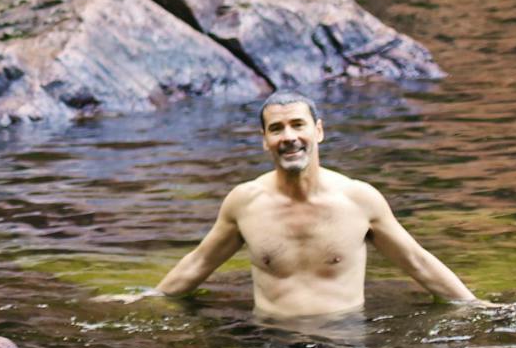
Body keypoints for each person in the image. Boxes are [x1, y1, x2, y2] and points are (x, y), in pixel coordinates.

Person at [112, 90, 476, 320]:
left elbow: (417, 262)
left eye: (297, 125)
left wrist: (476, 308)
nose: (289, 137)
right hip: (270, 338)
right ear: (265, 140)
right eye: (277, 128)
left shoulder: (358, 199)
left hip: (343, 337)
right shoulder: (245, 202)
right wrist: (147, 299)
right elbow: (198, 263)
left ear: (318, 131)